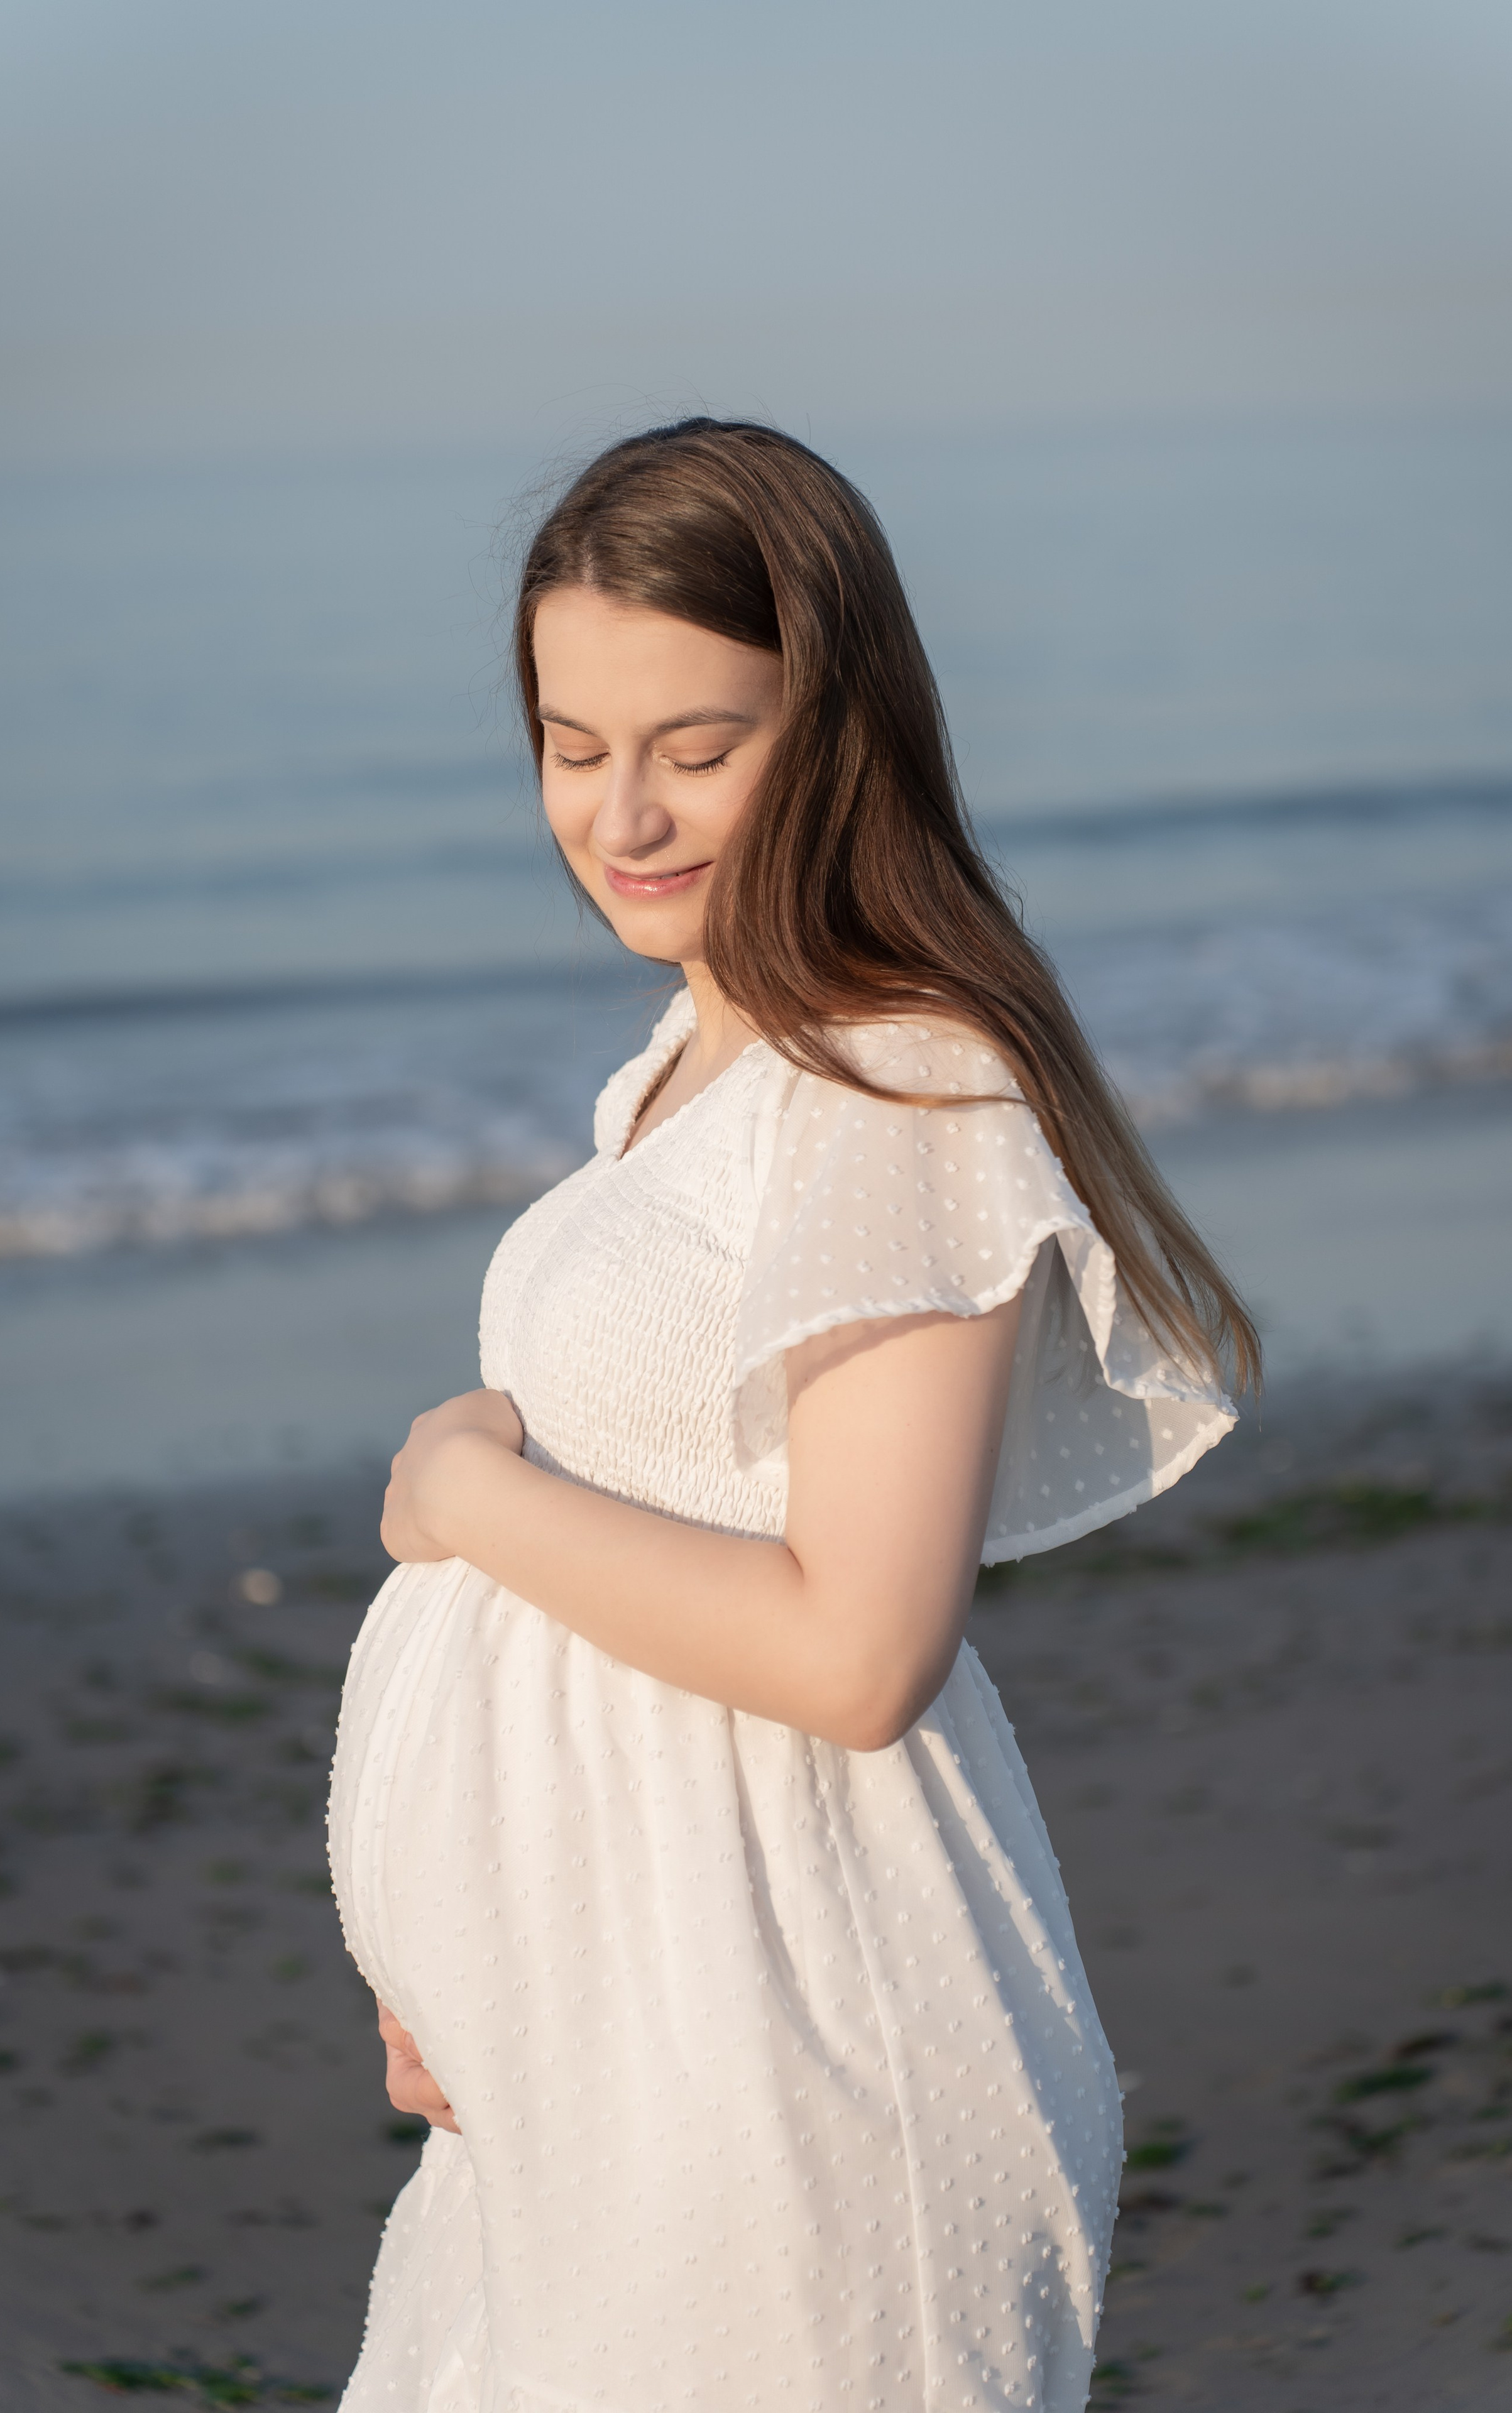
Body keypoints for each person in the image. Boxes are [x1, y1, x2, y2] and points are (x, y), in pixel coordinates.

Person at [326, 419, 1257, 2413]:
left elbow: (855, 1652)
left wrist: (468, 1491)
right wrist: (464, 1957)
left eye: (699, 744)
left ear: (833, 726)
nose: (623, 813)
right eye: (575, 744)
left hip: (783, 2062)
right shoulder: (690, 1062)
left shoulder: (897, 1086)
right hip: (608, 2059)